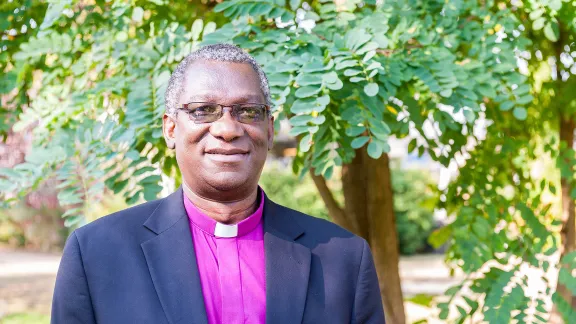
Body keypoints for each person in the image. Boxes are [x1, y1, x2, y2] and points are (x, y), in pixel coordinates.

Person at [51, 43, 385, 324]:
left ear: (270, 130)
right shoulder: (97, 253)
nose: (228, 129)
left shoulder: (343, 258)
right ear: (170, 128)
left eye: (248, 111)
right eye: (203, 110)